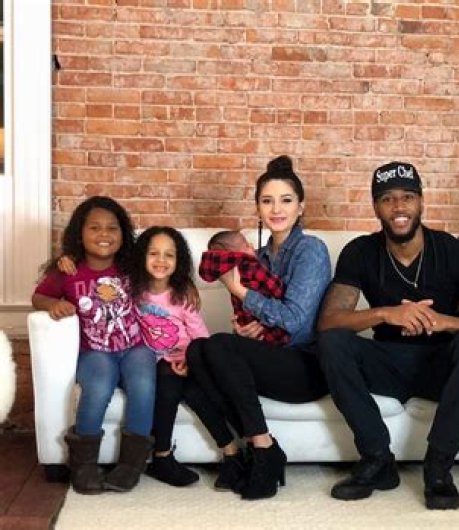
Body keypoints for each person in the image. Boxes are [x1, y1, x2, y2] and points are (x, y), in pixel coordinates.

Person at [316, 161, 459, 511]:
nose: (398, 207)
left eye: (407, 197)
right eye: (387, 199)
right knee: (332, 342)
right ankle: (377, 458)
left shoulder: (452, 251)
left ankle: (439, 467)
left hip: (440, 367)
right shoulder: (360, 251)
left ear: (421, 202)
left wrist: (443, 321)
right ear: (376, 207)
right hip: (387, 360)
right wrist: (387, 313)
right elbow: (328, 322)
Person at [186, 155, 331, 500]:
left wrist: (240, 292)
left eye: (286, 200)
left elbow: (295, 321)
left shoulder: (311, 250)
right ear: (258, 208)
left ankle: (264, 453)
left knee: (217, 345)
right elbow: (258, 318)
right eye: (267, 201)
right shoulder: (255, 257)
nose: (276, 209)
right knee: (197, 350)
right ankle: (246, 450)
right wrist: (248, 331)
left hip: (305, 365)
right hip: (269, 358)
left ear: (300, 207)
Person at [31, 196, 155, 495]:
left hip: (134, 347)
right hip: (95, 351)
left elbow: (165, 272)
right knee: (98, 386)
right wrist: (54, 304)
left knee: (143, 383)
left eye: (112, 228)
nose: (104, 234)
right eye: (95, 228)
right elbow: (38, 297)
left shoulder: (132, 265)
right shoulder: (68, 270)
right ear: (80, 233)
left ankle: (131, 464)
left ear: (123, 233)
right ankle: (83, 465)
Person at [131, 226, 240, 488]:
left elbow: (199, 335)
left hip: (186, 359)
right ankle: (163, 456)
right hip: (155, 363)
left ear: (178, 261)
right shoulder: (132, 291)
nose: (161, 260)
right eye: (153, 253)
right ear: (141, 256)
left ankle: (232, 454)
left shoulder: (182, 296)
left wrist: (192, 362)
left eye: (169, 255)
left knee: (196, 393)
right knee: (169, 384)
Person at [199, 230, 288, 345]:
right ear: (235, 254)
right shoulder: (252, 266)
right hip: (265, 327)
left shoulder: (228, 271)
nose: (252, 246)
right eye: (246, 245)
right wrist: (282, 287)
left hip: (244, 323)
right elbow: (277, 288)